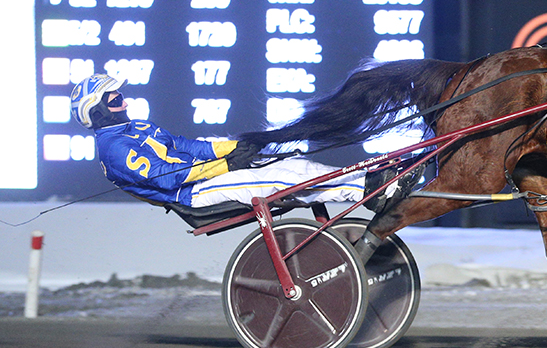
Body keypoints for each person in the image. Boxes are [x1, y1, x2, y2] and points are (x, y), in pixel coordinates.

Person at [70, 73, 370, 208]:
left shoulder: (136, 127)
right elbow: (167, 177)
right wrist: (225, 166)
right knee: (280, 181)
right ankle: (367, 191)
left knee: (295, 166)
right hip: (193, 193)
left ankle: (367, 179)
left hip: (207, 177)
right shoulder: (115, 149)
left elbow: (187, 146)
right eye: (116, 99)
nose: (124, 102)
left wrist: (235, 148)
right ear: (99, 112)